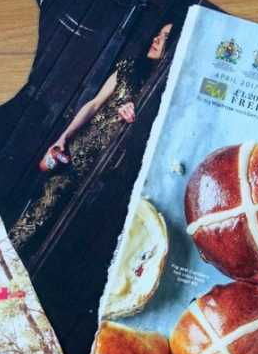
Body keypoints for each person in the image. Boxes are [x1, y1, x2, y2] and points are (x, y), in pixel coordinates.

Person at [11, 22, 174, 247]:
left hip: (103, 170)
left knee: (66, 232)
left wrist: (136, 117)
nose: (156, 39)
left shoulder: (162, 94)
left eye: (165, 37)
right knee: (43, 207)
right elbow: (94, 104)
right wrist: (64, 137)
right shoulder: (129, 68)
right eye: (158, 33)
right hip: (76, 153)